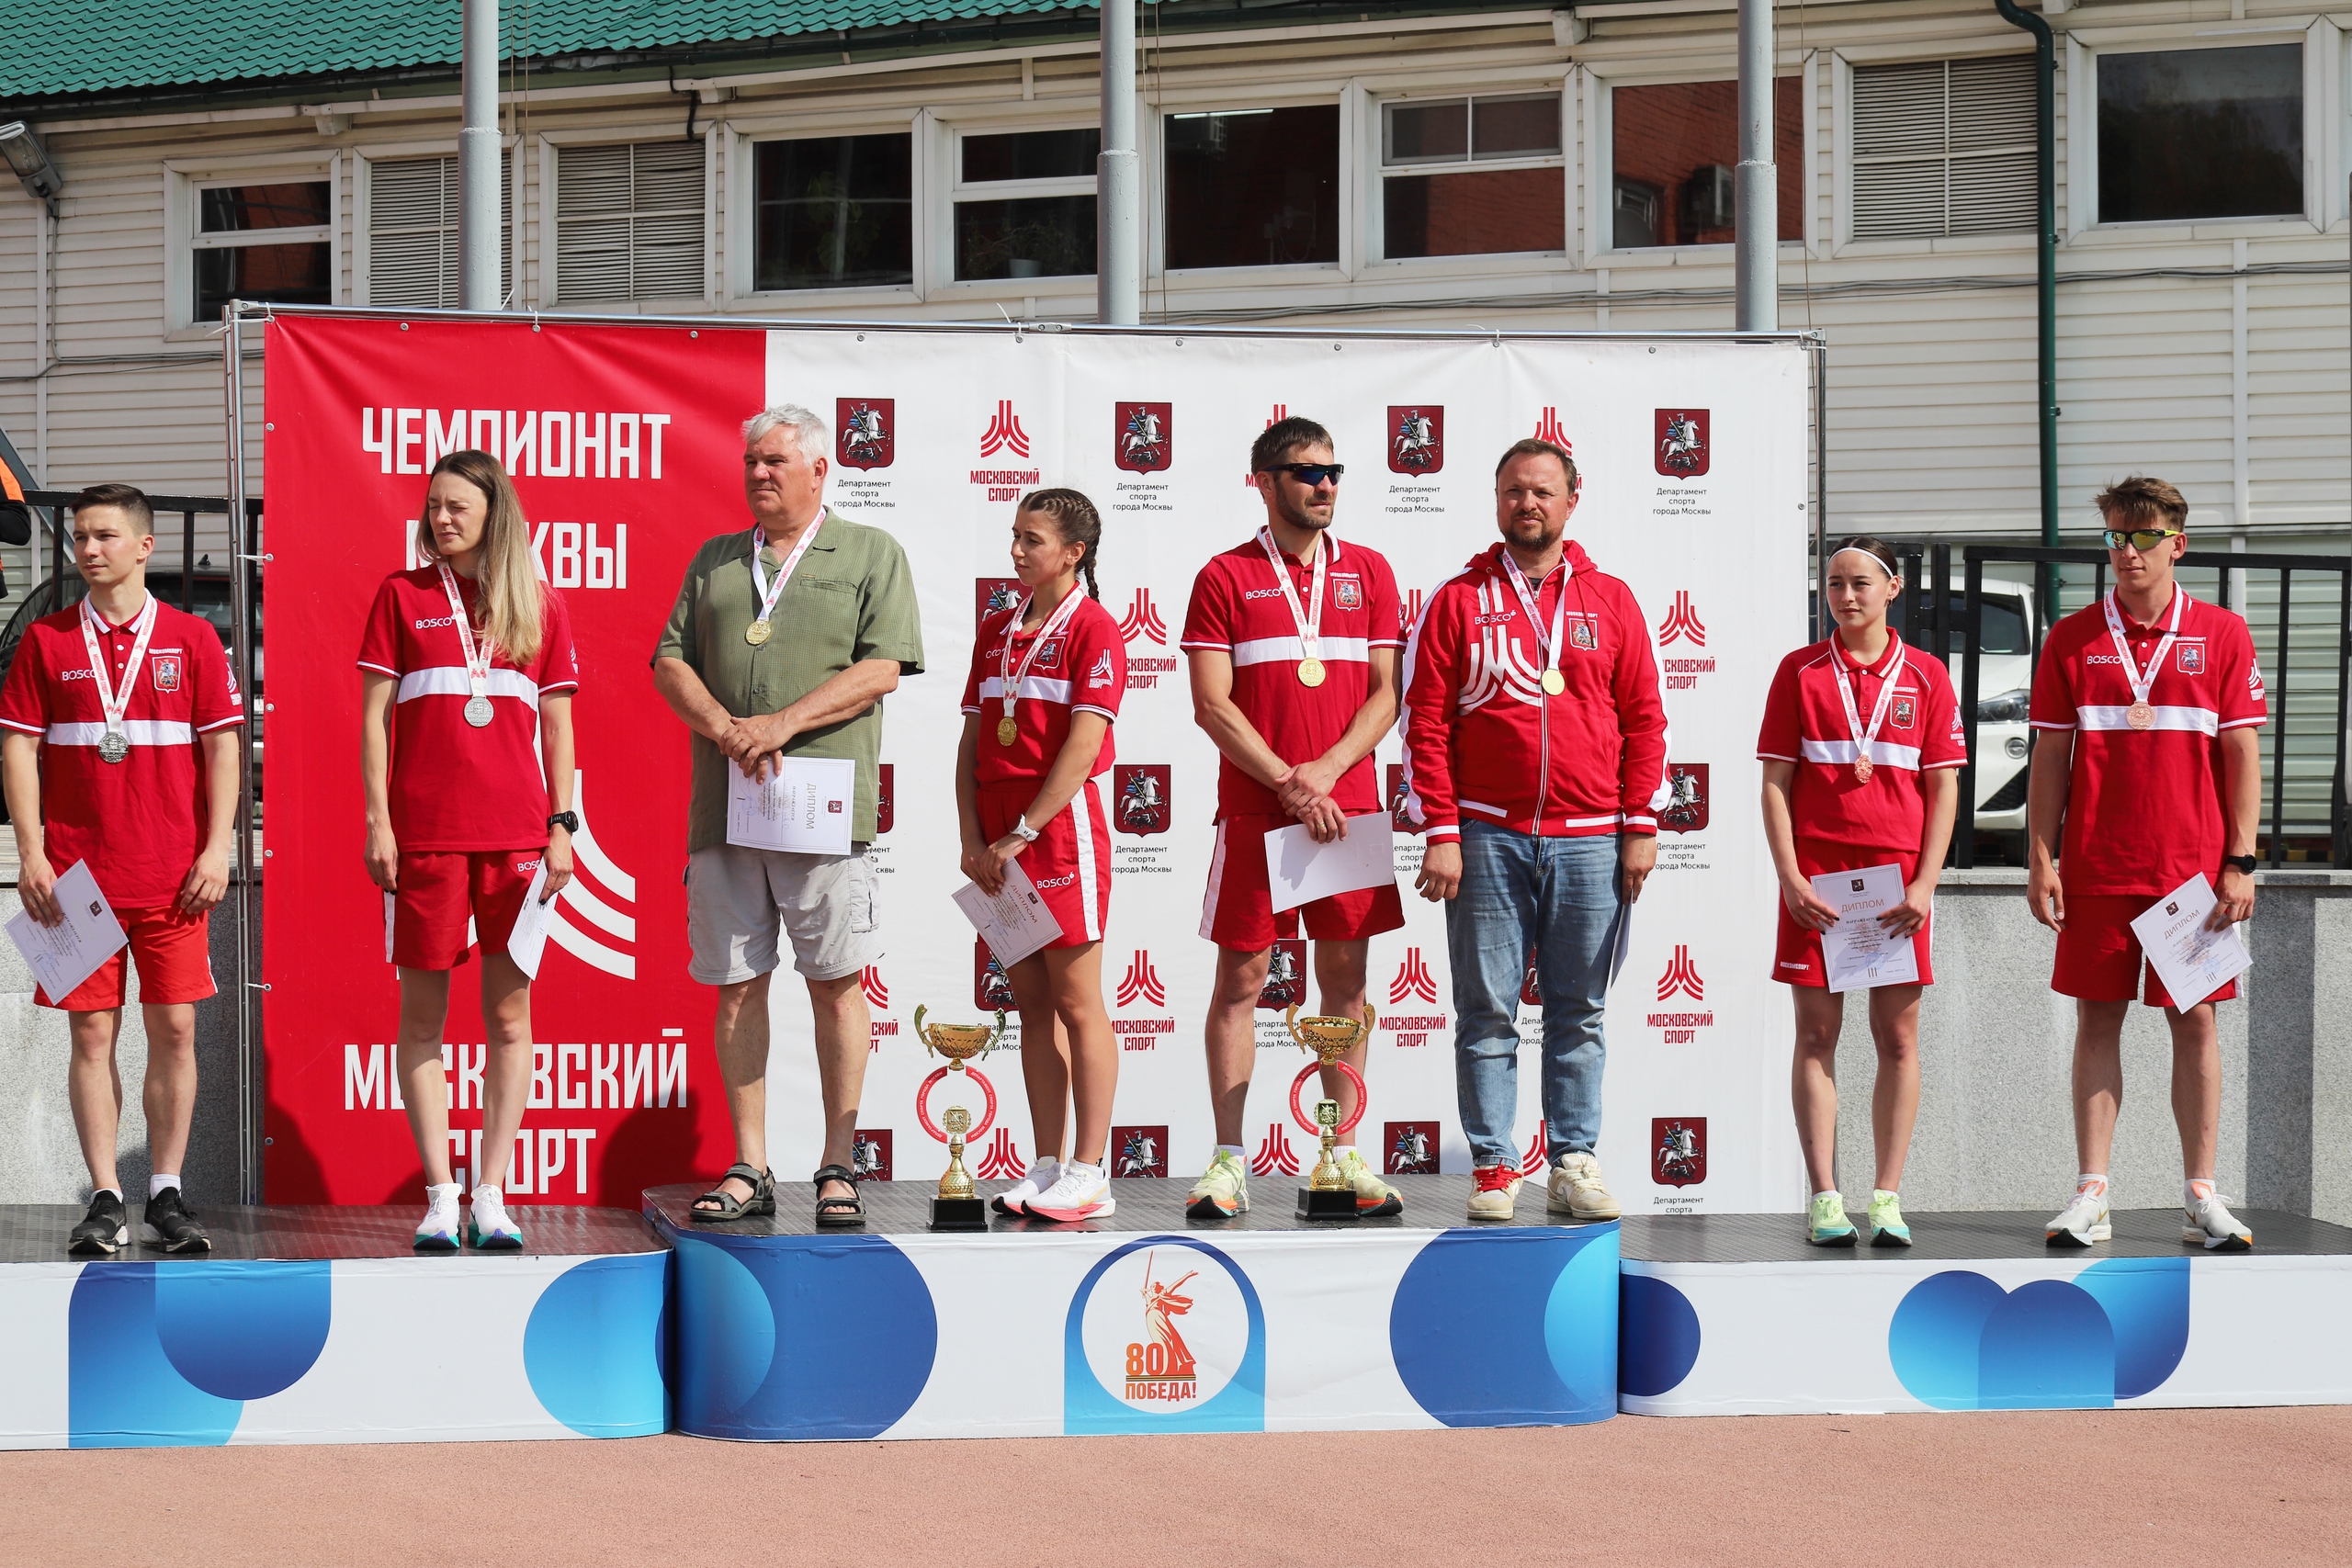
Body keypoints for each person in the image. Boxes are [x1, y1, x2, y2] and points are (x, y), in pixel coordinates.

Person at [653, 405, 922, 1228]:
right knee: (737, 987)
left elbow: (882, 669)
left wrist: (780, 724)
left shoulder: (871, 551)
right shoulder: (715, 559)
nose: (759, 473)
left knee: (836, 985)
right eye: (751, 463)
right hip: (727, 808)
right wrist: (727, 728)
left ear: (818, 469)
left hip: (822, 811)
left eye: (775, 460)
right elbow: (669, 661)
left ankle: (838, 1164)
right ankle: (751, 1164)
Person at [1402, 438, 1667, 1223]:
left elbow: (1645, 719)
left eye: (1543, 491)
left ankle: (1573, 1160)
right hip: (1486, 835)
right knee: (1487, 1011)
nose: (1528, 503)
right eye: (1514, 490)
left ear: (1571, 501)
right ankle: (1493, 1164)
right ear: (1496, 501)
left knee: (1578, 1010)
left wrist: (1640, 821)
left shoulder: (1611, 599)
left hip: (1592, 837)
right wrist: (1441, 828)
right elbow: (1425, 723)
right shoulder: (1458, 599)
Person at [0, 483, 243, 1257]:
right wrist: (30, 852)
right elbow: (18, 748)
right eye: (80, 536)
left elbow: (223, 747)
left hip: (176, 876)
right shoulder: (46, 641)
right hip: (72, 881)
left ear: (145, 546)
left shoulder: (193, 638)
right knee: (91, 1034)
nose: (88, 549)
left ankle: (166, 1191)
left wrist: (218, 847)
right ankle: (106, 1196)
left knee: (175, 1029)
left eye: (104, 535)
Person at [2028, 477, 2264, 1253]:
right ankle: (2092, 1191)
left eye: (2144, 536)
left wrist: (2241, 860)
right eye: (2116, 537)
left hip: (2190, 874)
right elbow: (2051, 756)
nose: (2128, 551)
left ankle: (2201, 1194)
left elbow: (2241, 753)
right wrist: (2040, 856)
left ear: (2177, 544)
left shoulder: (2223, 633)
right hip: (2096, 867)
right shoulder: (2071, 638)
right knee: (2097, 1018)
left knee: (2195, 1021)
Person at [1178, 415, 1406, 1221]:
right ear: (1265, 481)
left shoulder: (1370, 571)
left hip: (1348, 809)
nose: (1325, 485)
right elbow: (1212, 704)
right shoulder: (1223, 576)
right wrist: (1288, 782)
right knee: (1241, 982)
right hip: (1255, 809)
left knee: (1345, 982)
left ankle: (1341, 1152)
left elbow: (1387, 695)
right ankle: (1229, 1161)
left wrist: (1328, 774)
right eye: (1307, 472)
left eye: (1333, 471)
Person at [358, 450, 579, 1251]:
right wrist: (379, 821)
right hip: (425, 838)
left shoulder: (538, 605)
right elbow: (373, 720)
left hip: (517, 837)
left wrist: (563, 824)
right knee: (423, 1019)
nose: (441, 518)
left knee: (510, 1018)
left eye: (458, 506)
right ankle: (439, 1197)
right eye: (434, 506)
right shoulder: (401, 595)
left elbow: (558, 727)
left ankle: (491, 1193)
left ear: (495, 513)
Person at [1758, 537, 1962, 1247]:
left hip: (1897, 887)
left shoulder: (1928, 674)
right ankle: (1824, 1197)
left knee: (1897, 1038)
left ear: (1893, 588)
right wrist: (1790, 876)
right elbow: (1775, 783)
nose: (1846, 596)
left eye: (1861, 584)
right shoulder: (1800, 671)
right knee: (1817, 1035)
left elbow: (1943, 787)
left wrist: (1926, 882)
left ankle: (1887, 1198)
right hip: (1818, 883)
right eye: (1836, 583)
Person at [955, 490, 1126, 1222]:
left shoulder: (1094, 628)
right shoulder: (997, 628)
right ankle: (1048, 1164)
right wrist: (972, 838)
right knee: (1030, 1006)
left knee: (1078, 1002)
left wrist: (1022, 830)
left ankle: (1091, 1171)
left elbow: (1084, 747)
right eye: (1015, 536)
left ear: (1073, 552)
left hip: (1056, 832)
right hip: (998, 837)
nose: (1017, 550)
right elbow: (971, 743)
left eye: (1033, 539)